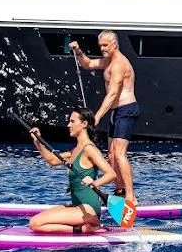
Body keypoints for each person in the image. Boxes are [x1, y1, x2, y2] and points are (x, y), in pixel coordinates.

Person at [69, 30, 140, 209]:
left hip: (127, 110)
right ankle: (119, 191)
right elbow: (88, 64)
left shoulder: (119, 64)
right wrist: (78, 51)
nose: (102, 49)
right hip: (117, 112)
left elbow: (113, 94)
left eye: (105, 45)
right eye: (100, 45)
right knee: (111, 154)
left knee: (119, 153)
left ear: (114, 45)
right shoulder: (108, 61)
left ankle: (131, 196)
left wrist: (98, 116)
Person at [28, 108, 117, 234]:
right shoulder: (74, 151)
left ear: (84, 124)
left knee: (35, 223)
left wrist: (95, 183)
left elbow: (111, 174)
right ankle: (83, 227)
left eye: (72, 121)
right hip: (78, 207)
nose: (69, 125)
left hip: (89, 209)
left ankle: (84, 229)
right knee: (34, 221)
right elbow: (52, 160)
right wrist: (37, 141)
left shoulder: (89, 149)